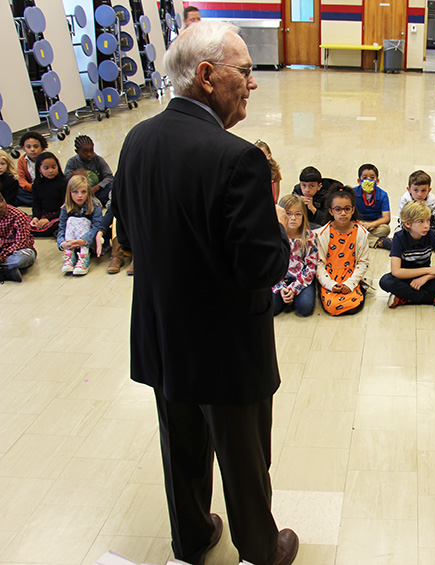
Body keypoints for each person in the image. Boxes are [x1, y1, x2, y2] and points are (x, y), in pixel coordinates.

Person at [113, 21, 297, 565]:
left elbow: (127, 231)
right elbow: (261, 266)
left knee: (182, 446)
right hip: (226, 345)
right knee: (243, 456)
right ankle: (260, 550)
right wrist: (281, 235)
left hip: (164, 334)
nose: (253, 83)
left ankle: (192, 539)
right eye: (245, 71)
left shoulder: (136, 139)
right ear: (207, 75)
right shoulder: (237, 158)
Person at [381, 200, 435, 308]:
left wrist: (426, 277)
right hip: (406, 278)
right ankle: (434, 298)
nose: (426, 226)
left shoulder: (432, 235)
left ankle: (406, 296)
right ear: (407, 224)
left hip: (426, 279)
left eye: (428, 220)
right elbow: (396, 272)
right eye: (421, 221)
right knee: (386, 282)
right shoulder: (399, 237)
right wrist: (428, 270)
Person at [316, 185, 369, 316]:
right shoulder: (322, 234)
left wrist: (350, 284)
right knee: (333, 306)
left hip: (351, 274)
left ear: (353, 210)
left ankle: (358, 288)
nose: (343, 213)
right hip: (330, 275)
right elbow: (319, 264)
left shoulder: (361, 233)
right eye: (338, 210)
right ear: (330, 211)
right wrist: (330, 284)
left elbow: (363, 263)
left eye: (347, 209)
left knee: (352, 303)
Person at [272, 195, 318, 317]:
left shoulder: (309, 236)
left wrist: (294, 288)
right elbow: (271, 265)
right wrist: (281, 287)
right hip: (279, 279)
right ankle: (285, 297)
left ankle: (292, 297)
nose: (293, 218)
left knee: (305, 308)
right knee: (272, 309)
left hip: (301, 279)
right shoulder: (274, 236)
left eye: (298, 214)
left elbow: (311, 266)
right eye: (288, 213)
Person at [57, 175, 103, 276]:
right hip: (73, 242)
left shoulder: (95, 205)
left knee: (82, 221)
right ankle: (69, 255)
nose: (79, 196)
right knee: (71, 220)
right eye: (75, 192)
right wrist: (62, 243)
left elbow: (97, 226)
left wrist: (84, 240)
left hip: (90, 242)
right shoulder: (66, 207)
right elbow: (61, 228)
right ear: (69, 193)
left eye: (83, 192)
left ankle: (84, 257)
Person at [396, 170, 435, 245]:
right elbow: (403, 221)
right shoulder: (405, 200)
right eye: (415, 190)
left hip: (428, 229)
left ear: (429, 190)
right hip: (411, 231)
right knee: (397, 233)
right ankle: (432, 243)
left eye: (423, 190)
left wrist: (427, 228)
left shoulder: (432, 200)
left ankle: (420, 244)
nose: (419, 194)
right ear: (409, 190)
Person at [64, 135, 115, 205]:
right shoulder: (72, 162)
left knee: (114, 184)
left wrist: (97, 187)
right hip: (81, 194)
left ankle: (96, 201)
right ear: (77, 151)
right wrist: (74, 175)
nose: (89, 154)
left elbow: (109, 177)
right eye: (85, 152)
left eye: (91, 151)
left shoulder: (98, 159)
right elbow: (66, 180)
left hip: (97, 191)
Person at [0, 192, 36, 283]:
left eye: (1, 200)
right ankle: (6, 272)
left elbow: (21, 243)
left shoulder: (17, 215)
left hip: (18, 251)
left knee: (21, 260)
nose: (1, 205)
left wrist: (2, 256)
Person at [354, 163, 391, 249]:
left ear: (377, 181)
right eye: (364, 178)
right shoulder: (353, 193)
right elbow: (349, 213)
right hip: (358, 223)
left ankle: (359, 238)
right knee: (348, 227)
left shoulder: (383, 195)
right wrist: (360, 223)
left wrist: (370, 225)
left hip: (374, 225)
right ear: (359, 181)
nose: (368, 180)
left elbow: (386, 218)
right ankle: (377, 241)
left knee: (385, 229)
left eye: (372, 178)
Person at [30, 152, 67, 237]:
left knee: (63, 222)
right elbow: (36, 204)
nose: (50, 171)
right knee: (24, 221)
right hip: (45, 214)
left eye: (53, 167)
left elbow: (66, 206)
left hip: (59, 215)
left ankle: (56, 230)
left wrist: (48, 220)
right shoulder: (37, 184)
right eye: (46, 168)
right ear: (39, 169)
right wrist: (36, 217)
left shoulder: (63, 183)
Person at [15, 131, 47, 206]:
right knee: (16, 190)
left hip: (47, 188)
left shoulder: (47, 159)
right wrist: (32, 188)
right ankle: (40, 202)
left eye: (36, 146)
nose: (32, 149)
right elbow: (21, 179)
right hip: (32, 189)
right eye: (28, 147)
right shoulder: (22, 161)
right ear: (23, 148)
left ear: (42, 148)